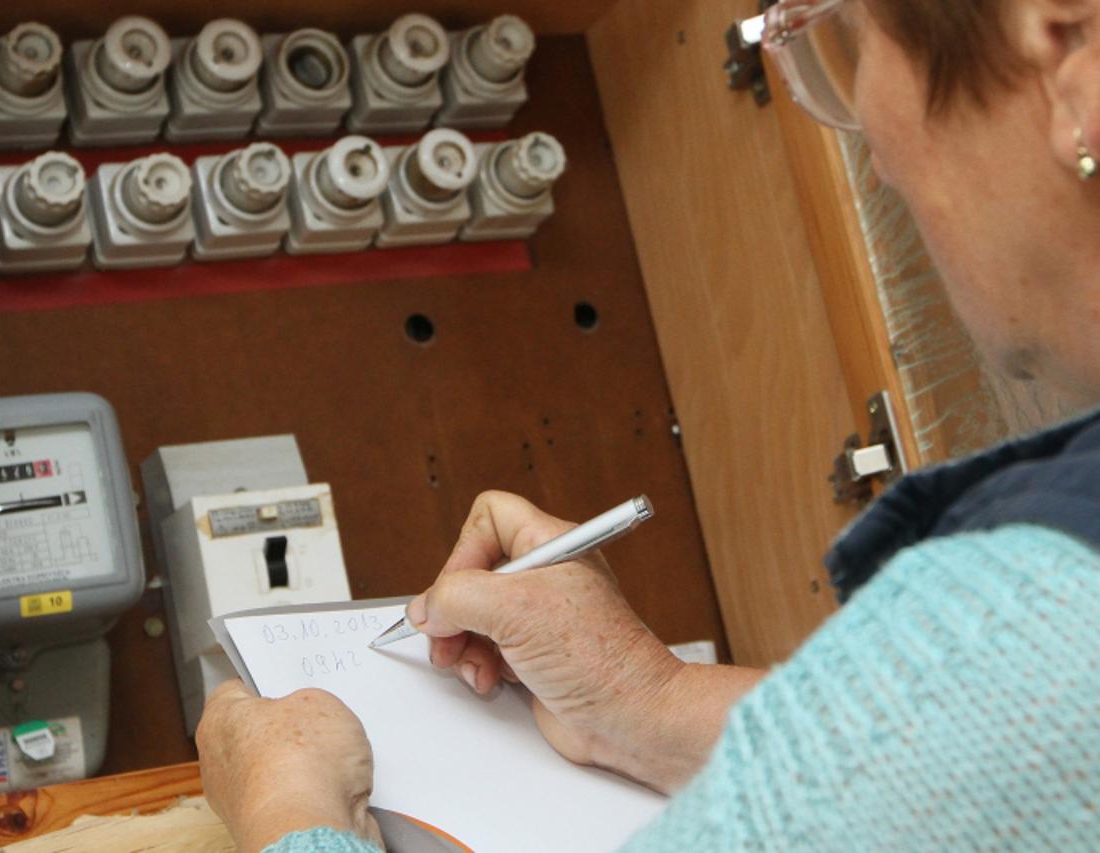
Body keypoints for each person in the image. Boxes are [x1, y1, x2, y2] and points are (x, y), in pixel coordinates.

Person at [196, 0, 1100, 848]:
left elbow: (978, 732)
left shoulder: (1036, 641)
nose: (878, 148)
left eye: (856, 41)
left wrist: (286, 803)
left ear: (1065, 60)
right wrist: (649, 701)